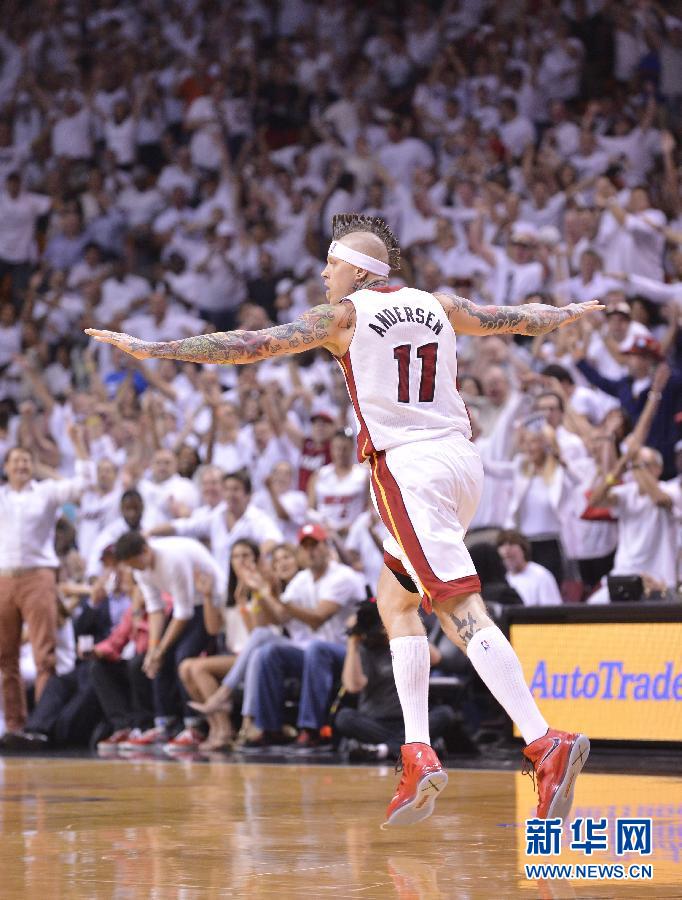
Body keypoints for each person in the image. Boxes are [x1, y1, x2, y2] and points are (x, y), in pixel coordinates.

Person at [86, 213, 602, 826]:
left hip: (408, 468)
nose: (324, 275)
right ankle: (417, 751)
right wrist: (564, 313)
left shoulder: (344, 316)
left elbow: (250, 345)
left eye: (331, 264)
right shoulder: (438, 303)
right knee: (395, 602)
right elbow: (515, 318)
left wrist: (158, 350)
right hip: (464, 464)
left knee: (457, 604)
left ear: (358, 270)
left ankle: (544, 741)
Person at [0, 426, 94, 742]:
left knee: (44, 654)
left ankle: (41, 725)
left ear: (33, 465)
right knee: (5, 656)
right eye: (16, 461)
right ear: (7, 467)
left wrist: (79, 445)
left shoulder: (45, 492)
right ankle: (14, 725)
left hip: (38, 575)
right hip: (3, 578)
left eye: (27, 461)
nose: (22, 466)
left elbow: (83, 486)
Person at [496, 530, 564, 607]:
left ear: (523, 549)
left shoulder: (541, 575)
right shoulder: (502, 579)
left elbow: (552, 610)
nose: (506, 550)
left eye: (512, 544)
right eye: (502, 545)